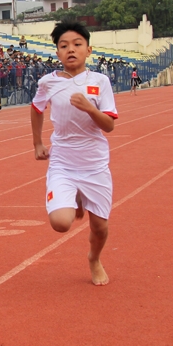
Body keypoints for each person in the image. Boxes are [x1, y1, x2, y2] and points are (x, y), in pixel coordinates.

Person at [30, 21, 117, 286]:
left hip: (95, 164)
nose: (71, 50)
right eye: (64, 46)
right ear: (57, 53)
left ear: (88, 50)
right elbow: (36, 109)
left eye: (77, 45)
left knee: (100, 228)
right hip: (63, 163)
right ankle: (74, 197)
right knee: (60, 223)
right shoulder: (48, 82)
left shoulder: (99, 81)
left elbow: (109, 125)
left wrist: (90, 108)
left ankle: (94, 258)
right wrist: (37, 143)